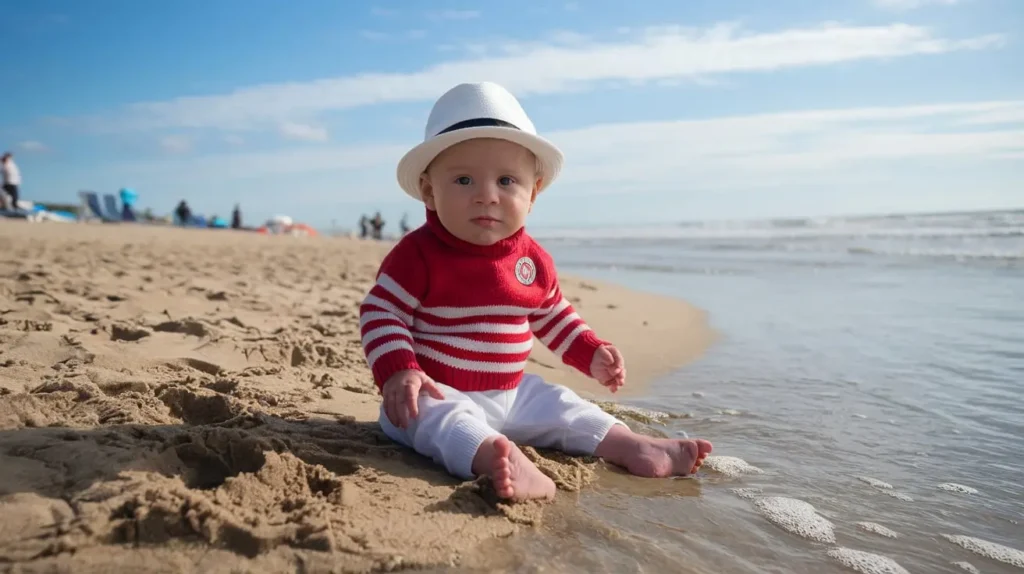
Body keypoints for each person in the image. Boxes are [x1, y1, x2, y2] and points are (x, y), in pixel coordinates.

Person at [358, 82, 712, 502]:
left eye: (507, 180)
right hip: (438, 388)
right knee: (432, 420)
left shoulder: (532, 259)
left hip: (512, 392)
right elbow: (382, 313)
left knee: (565, 406)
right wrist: (400, 369)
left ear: (533, 193)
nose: (486, 196)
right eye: (464, 180)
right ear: (429, 191)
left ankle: (630, 445)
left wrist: (589, 351)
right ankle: (496, 458)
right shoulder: (417, 254)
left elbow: (552, 314)